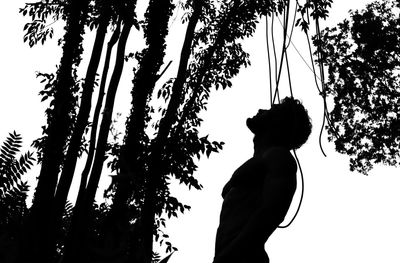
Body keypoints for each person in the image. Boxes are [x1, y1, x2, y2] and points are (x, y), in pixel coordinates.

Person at [213, 97, 312, 263]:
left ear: (279, 124)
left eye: (271, 111)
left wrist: (227, 257)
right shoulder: (261, 159)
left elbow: (271, 213)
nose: (261, 110)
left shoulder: (279, 157)